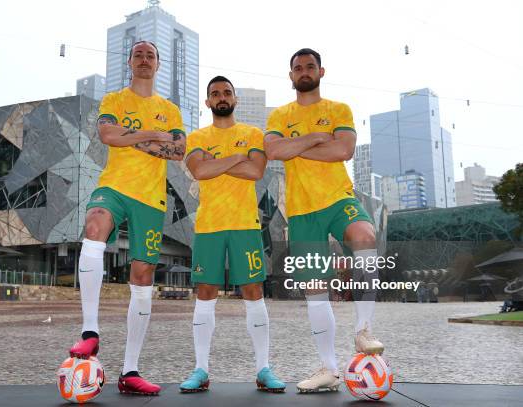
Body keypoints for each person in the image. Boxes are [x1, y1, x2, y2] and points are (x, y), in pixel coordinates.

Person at [68, 40, 186, 396]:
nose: (145, 59)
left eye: (151, 55)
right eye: (139, 54)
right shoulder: (115, 100)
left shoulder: (170, 109)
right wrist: (151, 135)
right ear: (130, 62)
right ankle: (90, 333)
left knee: (143, 276)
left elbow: (178, 151)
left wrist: (129, 136)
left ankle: (130, 371)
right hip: (115, 187)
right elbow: (107, 134)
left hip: (150, 199)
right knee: (95, 226)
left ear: (158, 64)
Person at [264, 48, 384, 393]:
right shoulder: (279, 116)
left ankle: (364, 331)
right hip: (301, 210)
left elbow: (343, 150)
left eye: (310, 66)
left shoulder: (338, 109)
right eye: (298, 67)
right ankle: (329, 370)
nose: (304, 71)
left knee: (364, 234)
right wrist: (318, 137)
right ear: (291, 76)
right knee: (315, 290)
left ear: (321, 71)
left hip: (337, 198)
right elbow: (274, 151)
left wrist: (296, 145)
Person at [180, 76, 285, 393]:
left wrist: (218, 163)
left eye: (227, 92)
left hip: (244, 224)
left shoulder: (252, 133)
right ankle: (200, 370)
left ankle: (263, 369)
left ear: (235, 99)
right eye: (215, 93)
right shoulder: (196, 136)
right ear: (208, 102)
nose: (221, 96)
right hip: (210, 225)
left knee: (254, 292)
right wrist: (238, 158)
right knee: (205, 294)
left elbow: (255, 171)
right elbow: (199, 171)